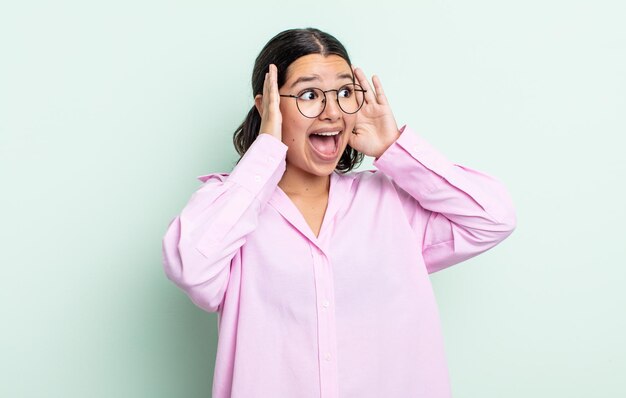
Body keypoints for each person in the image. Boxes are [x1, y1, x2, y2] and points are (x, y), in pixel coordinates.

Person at [162, 27, 516, 398]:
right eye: (310, 95)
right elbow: (192, 268)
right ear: (267, 106)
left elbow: (494, 218)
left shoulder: (390, 203)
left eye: (345, 92)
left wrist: (394, 148)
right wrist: (265, 154)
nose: (332, 111)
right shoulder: (230, 210)